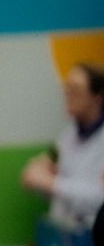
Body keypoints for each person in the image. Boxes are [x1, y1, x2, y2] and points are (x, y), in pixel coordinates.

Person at [24, 63, 104, 230]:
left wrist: (51, 183)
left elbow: (99, 198)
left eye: (76, 89)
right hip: (66, 237)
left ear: (97, 97)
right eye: (67, 88)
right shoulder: (69, 134)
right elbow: (49, 177)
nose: (68, 94)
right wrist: (43, 178)